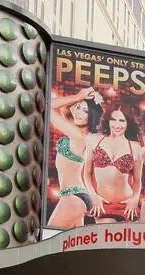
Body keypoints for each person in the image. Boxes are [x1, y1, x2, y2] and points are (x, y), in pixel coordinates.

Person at [48, 86, 103, 228]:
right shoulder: (76, 133)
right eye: (78, 108)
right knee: (70, 248)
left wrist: (78, 96)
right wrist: (80, 99)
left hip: (74, 197)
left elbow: (49, 107)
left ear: (92, 116)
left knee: (50, 238)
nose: (79, 113)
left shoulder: (78, 136)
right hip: (76, 197)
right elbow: (63, 109)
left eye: (85, 111)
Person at [83, 104, 142, 222]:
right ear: (108, 121)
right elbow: (86, 173)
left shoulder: (135, 147)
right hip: (102, 203)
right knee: (107, 236)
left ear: (128, 123)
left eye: (122, 120)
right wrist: (93, 196)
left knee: (125, 240)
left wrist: (135, 199)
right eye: (113, 120)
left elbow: (137, 180)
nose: (117, 125)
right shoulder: (94, 140)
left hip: (126, 205)